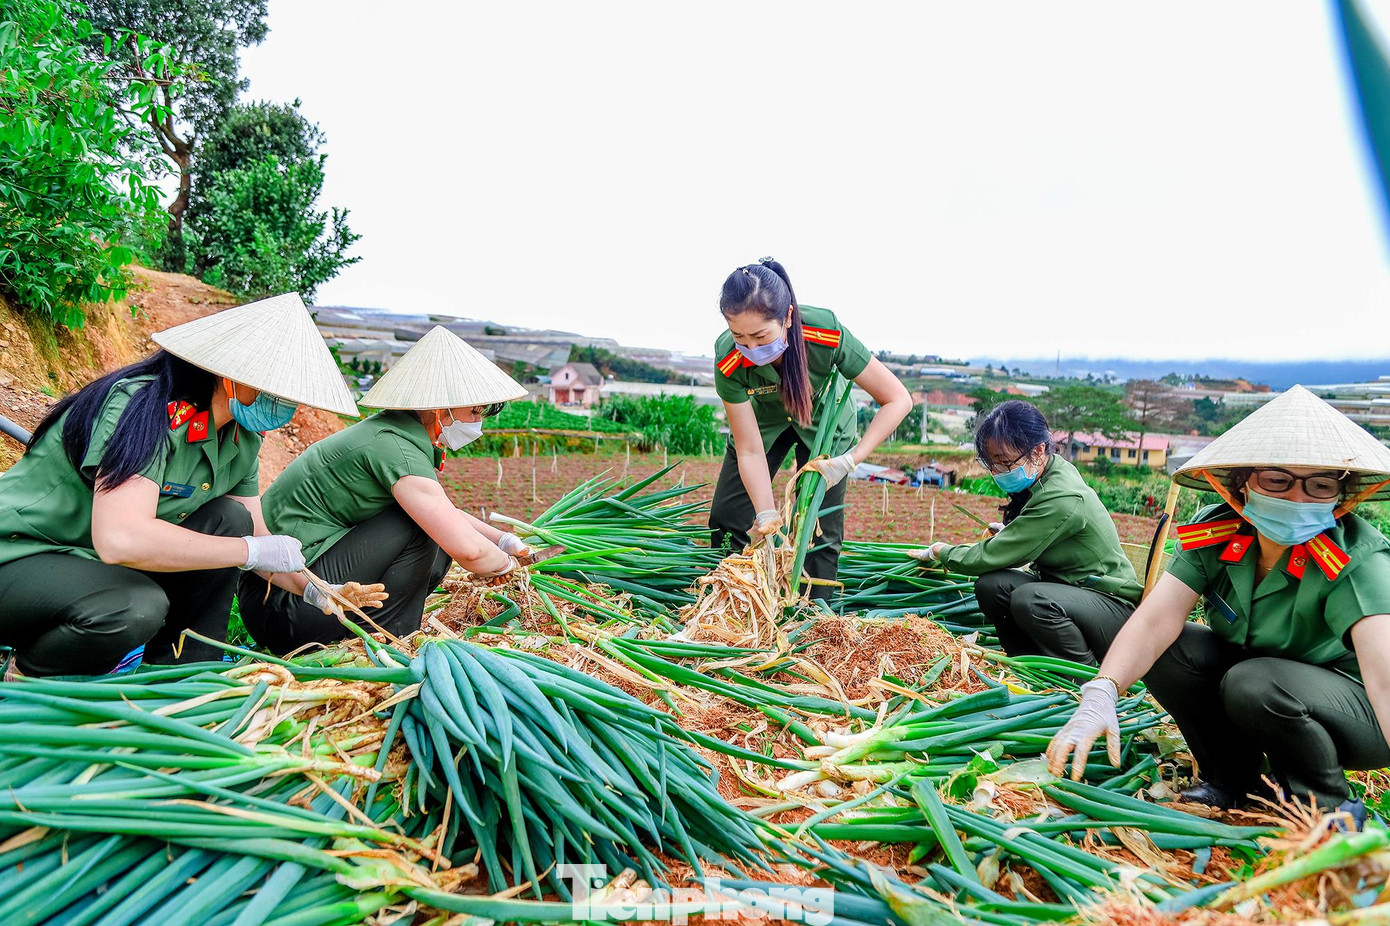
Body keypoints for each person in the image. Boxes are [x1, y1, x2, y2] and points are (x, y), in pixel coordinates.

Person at [1046, 386, 1390, 828]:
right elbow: (1156, 620)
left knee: (1254, 680)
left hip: (1354, 709)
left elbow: (1383, 673)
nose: (1297, 499)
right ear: (1243, 483)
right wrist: (1103, 690)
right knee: (1174, 648)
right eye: (1277, 480)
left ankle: (1327, 808)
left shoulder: (1357, 559)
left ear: (1340, 496)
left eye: (1319, 485)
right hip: (1265, 687)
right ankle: (1233, 781)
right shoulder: (1218, 533)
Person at [0, 293, 358, 677]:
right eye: (277, 390)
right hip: (21, 555)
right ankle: (28, 678)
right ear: (234, 376)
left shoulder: (240, 439)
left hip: (89, 568)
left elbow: (254, 534)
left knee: (228, 518)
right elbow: (120, 539)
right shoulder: (141, 408)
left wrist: (314, 589)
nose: (285, 404)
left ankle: (179, 674)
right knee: (134, 606)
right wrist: (247, 551)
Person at [240, 327, 535, 653]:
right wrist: (508, 570)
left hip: (299, 593)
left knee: (434, 531)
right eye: (474, 412)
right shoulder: (395, 447)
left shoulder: (395, 435)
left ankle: (376, 633)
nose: (478, 423)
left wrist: (505, 542)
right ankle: (392, 642)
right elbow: (468, 549)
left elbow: (447, 514)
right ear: (440, 409)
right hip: (287, 601)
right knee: (424, 528)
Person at [709, 257, 911, 600]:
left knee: (817, 527)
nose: (752, 349)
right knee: (729, 517)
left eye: (761, 336)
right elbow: (749, 448)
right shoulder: (728, 359)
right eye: (740, 336)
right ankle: (733, 599)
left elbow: (897, 399)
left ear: (788, 317)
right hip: (764, 424)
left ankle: (814, 617)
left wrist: (851, 460)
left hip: (823, 423)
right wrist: (767, 513)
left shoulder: (825, 332)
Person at [910, 400, 1141, 664]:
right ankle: (1027, 664)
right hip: (1068, 591)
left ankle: (1083, 676)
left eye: (1005, 462)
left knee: (1030, 600)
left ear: (1038, 450)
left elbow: (997, 555)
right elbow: (1035, 532)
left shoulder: (1061, 496)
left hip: (1110, 607)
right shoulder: (1049, 470)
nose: (998, 472)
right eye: (992, 463)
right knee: (991, 586)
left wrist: (941, 551)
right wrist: (1012, 530)